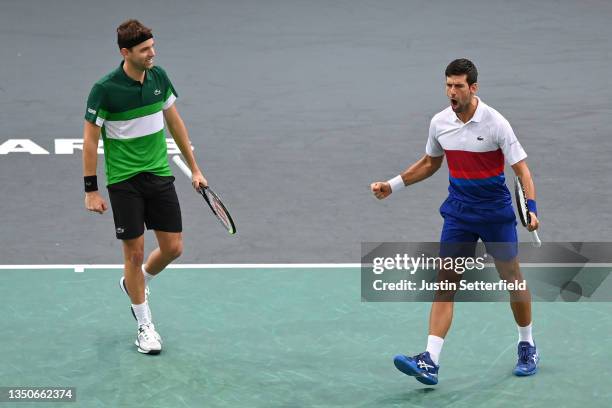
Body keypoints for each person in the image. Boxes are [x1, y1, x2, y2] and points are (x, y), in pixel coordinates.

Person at [370, 59, 540, 384]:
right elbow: (431, 163)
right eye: (448, 84)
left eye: (458, 85)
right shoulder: (440, 122)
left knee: (512, 280)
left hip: (494, 214)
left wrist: (531, 207)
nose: (452, 91)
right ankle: (430, 359)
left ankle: (527, 344)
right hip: (459, 212)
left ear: (473, 87)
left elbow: (522, 171)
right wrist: (392, 185)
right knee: (445, 283)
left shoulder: (496, 123)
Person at [82, 19, 206, 355]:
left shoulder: (159, 77)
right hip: (124, 182)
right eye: (144, 49)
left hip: (159, 174)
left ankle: (136, 283)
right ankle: (145, 325)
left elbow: (174, 121)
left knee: (173, 249)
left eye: (152, 46)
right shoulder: (105, 89)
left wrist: (194, 168)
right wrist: (91, 190)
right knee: (134, 253)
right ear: (126, 52)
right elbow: (91, 140)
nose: (152, 53)